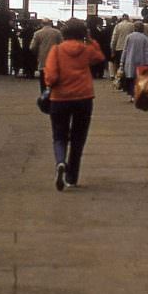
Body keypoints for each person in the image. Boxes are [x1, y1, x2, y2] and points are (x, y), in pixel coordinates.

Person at [43, 18, 105, 191]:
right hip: (83, 98)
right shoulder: (86, 50)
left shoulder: (56, 51)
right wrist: (90, 39)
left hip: (60, 99)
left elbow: (51, 77)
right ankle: (72, 177)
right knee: (78, 139)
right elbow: (99, 57)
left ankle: (61, 161)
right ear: (82, 33)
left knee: (59, 136)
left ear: (64, 33)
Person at [120, 20, 148, 99]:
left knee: (130, 78)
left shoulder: (129, 37)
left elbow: (125, 50)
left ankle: (131, 95)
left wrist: (122, 61)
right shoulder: (145, 38)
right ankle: (137, 94)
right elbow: (146, 51)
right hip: (141, 61)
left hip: (129, 60)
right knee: (139, 79)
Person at [29, 18, 62, 91]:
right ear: (51, 23)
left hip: (42, 60)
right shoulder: (57, 33)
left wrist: (37, 53)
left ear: (42, 24)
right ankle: (53, 95)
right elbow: (62, 45)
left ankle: (44, 96)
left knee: (43, 82)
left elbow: (32, 47)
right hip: (55, 60)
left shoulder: (37, 33)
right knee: (55, 81)